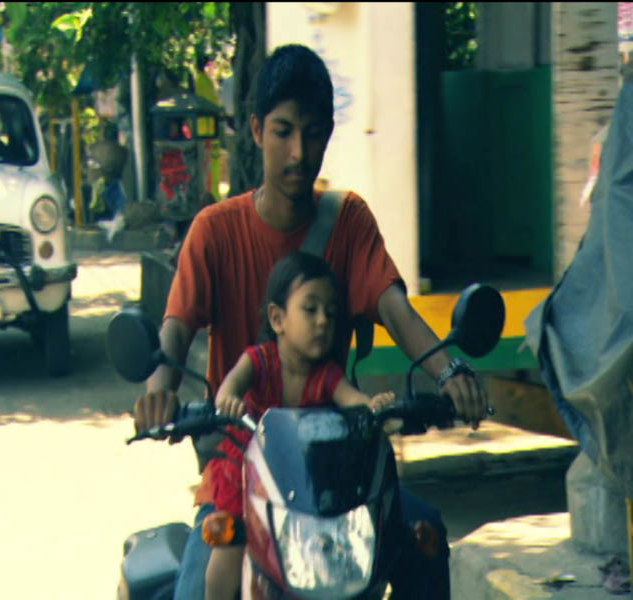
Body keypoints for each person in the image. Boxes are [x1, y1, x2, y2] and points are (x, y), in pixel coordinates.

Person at [133, 43, 489, 599]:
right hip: (244, 475)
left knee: (425, 536)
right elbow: (175, 328)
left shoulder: (348, 221)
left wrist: (448, 372)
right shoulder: (214, 231)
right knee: (197, 587)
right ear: (256, 130)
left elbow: (394, 307)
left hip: (339, 478)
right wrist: (159, 391)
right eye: (283, 131)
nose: (299, 152)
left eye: (314, 133)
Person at [205, 251, 396, 598]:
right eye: (310, 309)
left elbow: (355, 401)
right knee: (229, 544)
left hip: (305, 483)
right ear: (277, 318)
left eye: (331, 313)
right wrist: (228, 401)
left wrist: (376, 409)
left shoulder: (327, 376)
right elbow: (227, 390)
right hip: (249, 474)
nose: (323, 321)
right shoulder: (259, 361)